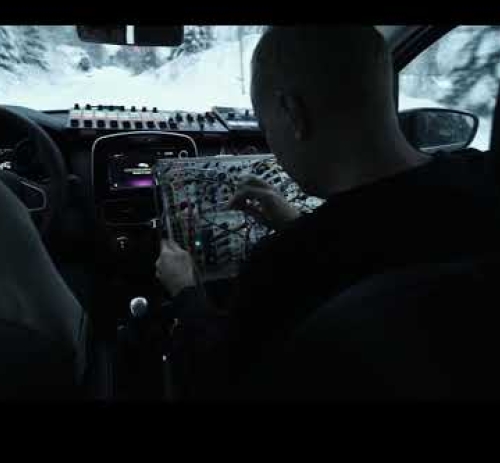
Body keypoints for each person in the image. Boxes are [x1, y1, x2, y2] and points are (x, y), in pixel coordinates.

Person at [156, 26, 498, 399]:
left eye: (265, 127)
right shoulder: (484, 179)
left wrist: (186, 292)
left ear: (293, 113)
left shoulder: (283, 268)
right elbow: (388, 238)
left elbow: (215, 383)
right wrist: (299, 225)